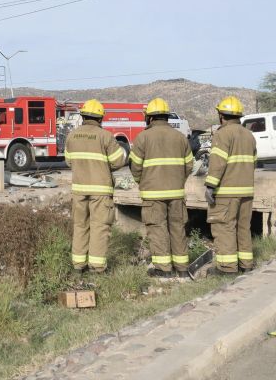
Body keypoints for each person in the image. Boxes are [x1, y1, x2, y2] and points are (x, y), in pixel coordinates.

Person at [129, 98, 194, 278]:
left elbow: (135, 166)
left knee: (157, 229)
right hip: (176, 193)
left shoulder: (143, 137)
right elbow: (189, 165)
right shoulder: (180, 137)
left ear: (149, 118)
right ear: (166, 117)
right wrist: (178, 180)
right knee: (177, 228)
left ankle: (163, 269)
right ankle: (182, 269)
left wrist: (141, 182)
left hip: (152, 194)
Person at [64, 99, 127, 273]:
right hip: (101, 190)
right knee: (99, 226)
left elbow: (69, 161)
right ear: (100, 118)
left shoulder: (72, 136)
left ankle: (78, 265)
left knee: (80, 225)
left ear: (83, 116)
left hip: (79, 189)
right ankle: (97, 267)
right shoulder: (105, 136)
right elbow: (118, 161)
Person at [204, 96, 257, 276]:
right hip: (246, 191)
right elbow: (253, 162)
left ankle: (227, 269)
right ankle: (246, 264)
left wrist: (210, 185)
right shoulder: (249, 135)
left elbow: (217, 162)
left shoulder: (222, 134)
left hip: (226, 192)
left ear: (221, 115)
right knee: (243, 228)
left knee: (224, 228)